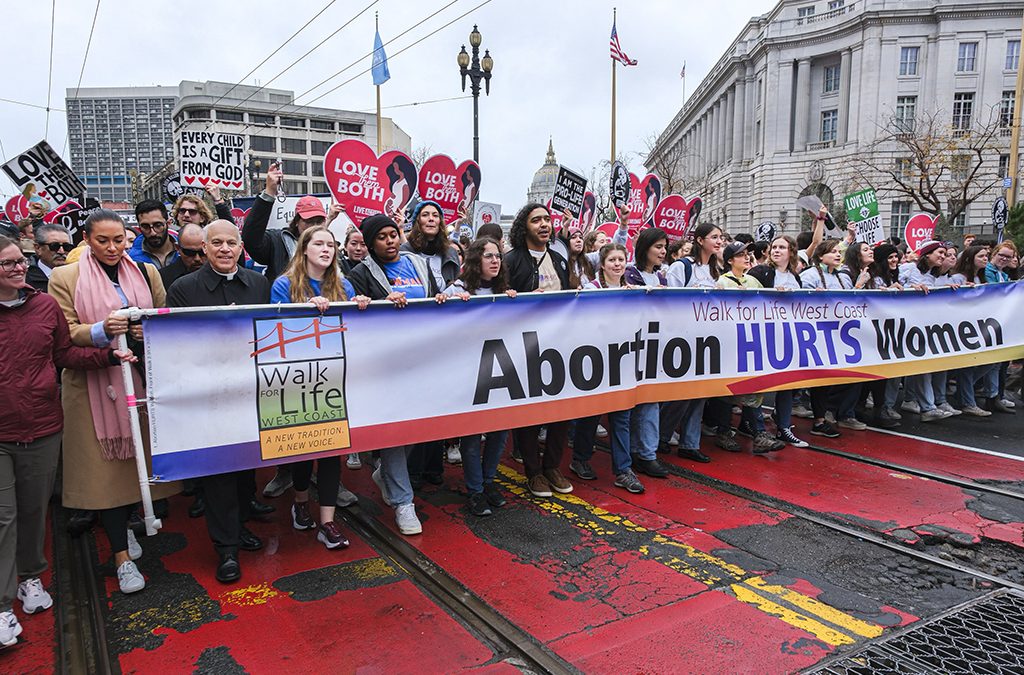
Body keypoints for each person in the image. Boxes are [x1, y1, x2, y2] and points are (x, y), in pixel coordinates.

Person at [0, 235, 136, 649]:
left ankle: (30, 578)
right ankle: (4, 606)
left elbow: (64, 355)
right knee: (3, 516)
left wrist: (109, 357)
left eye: (19, 261)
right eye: (6, 264)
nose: (18, 268)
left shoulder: (42, 305)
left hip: (41, 425)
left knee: (33, 509)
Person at [48, 210, 179, 595]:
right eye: (102, 240)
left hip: (136, 381)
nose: (112, 247)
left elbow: (162, 316)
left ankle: (126, 527)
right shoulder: (64, 277)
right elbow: (65, 333)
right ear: (86, 239)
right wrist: (104, 330)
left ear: (127, 238)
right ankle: (121, 556)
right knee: (104, 474)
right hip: (91, 389)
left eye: (119, 240)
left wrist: (143, 327)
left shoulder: (146, 272)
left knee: (130, 467)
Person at [166, 221, 270, 583]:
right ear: (205, 249)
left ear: (241, 248)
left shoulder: (258, 284)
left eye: (231, 243)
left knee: (244, 467)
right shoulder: (183, 288)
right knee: (219, 474)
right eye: (217, 243)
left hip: (250, 392)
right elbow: (175, 346)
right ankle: (226, 549)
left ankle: (239, 526)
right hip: (207, 396)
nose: (225, 249)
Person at [270, 225, 370, 548]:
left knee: (331, 450)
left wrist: (362, 306)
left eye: (330, 244)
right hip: (298, 381)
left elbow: (356, 328)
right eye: (319, 244)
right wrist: (305, 314)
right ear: (304, 249)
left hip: (334, 378)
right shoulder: (283, 285)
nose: (326, 249)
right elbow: (275, 332)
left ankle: (327, 522)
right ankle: (300, 502)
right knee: (302, 450)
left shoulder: (344, 284)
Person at [244, 166, 332, 498]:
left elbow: (347, 289)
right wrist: (267, 192)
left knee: (326, 416)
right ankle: (286, 472)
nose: (313, 225)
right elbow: (250, 238)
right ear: (296, 222)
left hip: (325, 345)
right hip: (288, 344)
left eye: (318, 220)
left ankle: (327, 482)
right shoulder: (275, 244)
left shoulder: (330, 251)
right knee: (289, 413)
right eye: (307, 220)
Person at [347, 214, 437, 535]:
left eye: (393, 234)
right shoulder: (360, 273)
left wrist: (444, 298)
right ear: (370, 244)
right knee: (396, 430)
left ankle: (385, 469)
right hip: (386, 365)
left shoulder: (420, 265)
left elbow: (436, 297)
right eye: (382, 237)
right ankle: (403, 502)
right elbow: (358, 313)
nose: (390, 241)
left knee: (420, 426)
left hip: (424, 358)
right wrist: (379, 303)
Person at [502, 204, 574, 497]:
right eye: (536, 220)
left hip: (559, 344)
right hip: (525, 345)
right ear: (524, 227)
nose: (544, 224)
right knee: (530, 411)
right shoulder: (511, 261)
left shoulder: (559, 259)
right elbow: (501, 303)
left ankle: (552, 466)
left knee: (563, 407)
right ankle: (533, 471)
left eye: (547, 219)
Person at [442, 237, 517, 516]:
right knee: (472, 435)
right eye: (488, 256)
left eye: (498, 256)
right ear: (475, 260)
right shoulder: (457, 290)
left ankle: (488, 483)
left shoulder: (504, 291)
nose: (495, 260)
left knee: (499, 431)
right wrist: (447, 303)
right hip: (469, 374)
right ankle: (475, 490)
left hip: (500, 372)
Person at [397, 200, 460, 480]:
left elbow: (459, 282)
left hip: (445, 330)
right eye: (426, 215)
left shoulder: (450, 252)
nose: (432, 219)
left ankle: (434, 465)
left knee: (440, 398)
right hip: (414, 329)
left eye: (436, 215)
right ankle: (412, 467)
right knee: (416, 400)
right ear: (417, 220)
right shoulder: (404, 251)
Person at [664, 223, 737, 458]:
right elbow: (669, 304)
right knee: (681, 396)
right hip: (682, 341)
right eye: (714, 237)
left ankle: (690, 444)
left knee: (700, 395)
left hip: (708, 342)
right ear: (699, 241)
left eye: (721, 237)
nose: (719, 241)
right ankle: (661, 436)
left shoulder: (715, 270)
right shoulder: (681, 267)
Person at [26, 223, 74, 292]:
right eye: (54, 246)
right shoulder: (25, 279)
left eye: (67, 246)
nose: (61, 251)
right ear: (38, 248)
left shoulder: (79, 275)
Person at [130, 200, 178, 268]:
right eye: (145, 227)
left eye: (158, 225)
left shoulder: (185, 250)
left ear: (168, 223)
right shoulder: (132, 260)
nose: (153, 233)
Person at [158, 223, 206, 290]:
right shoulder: (162, 277)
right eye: (189, 253)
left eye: (202, 252)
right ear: (177, 248)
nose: (197, 258)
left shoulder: (218, 273)